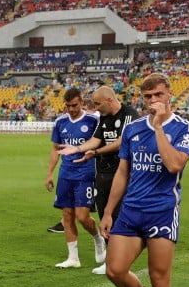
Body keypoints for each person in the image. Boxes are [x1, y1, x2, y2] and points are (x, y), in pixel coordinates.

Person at [100, 73, 189, 287]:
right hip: (131, 210)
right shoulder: (132, 130)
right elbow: (123, 172)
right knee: (114, 270)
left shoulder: (185, 128)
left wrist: (158, 128)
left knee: (159, 278)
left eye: (158, 95)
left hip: (162, 211)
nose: (153, 101)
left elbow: (174, 164)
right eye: (147, 97)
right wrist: (107, 211)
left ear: (170, 95)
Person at [59, 86, 139, 275]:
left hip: (123, 173)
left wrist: (96, 153)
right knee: (106, 215)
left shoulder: (129, 114)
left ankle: (120, 260)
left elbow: (121, 142)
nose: (94, 108)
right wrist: (78, 149)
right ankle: (111, 260)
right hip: (103, 174)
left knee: (120, 217)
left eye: (97, 104)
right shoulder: (104, 118)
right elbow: (96, 139)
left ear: (109, 100)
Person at [46, 88, 105, 270]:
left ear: (81, 102)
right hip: (66, 174)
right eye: (68, 106)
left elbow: (101, 143)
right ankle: (73, 258)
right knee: (67, 215)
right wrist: (49, 173)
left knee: (82, 216)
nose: (71, 109)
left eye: (74, 105)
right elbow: (56, 149)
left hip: (85, 173)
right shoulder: (60, 122)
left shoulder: (93, 120)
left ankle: (98, 238)